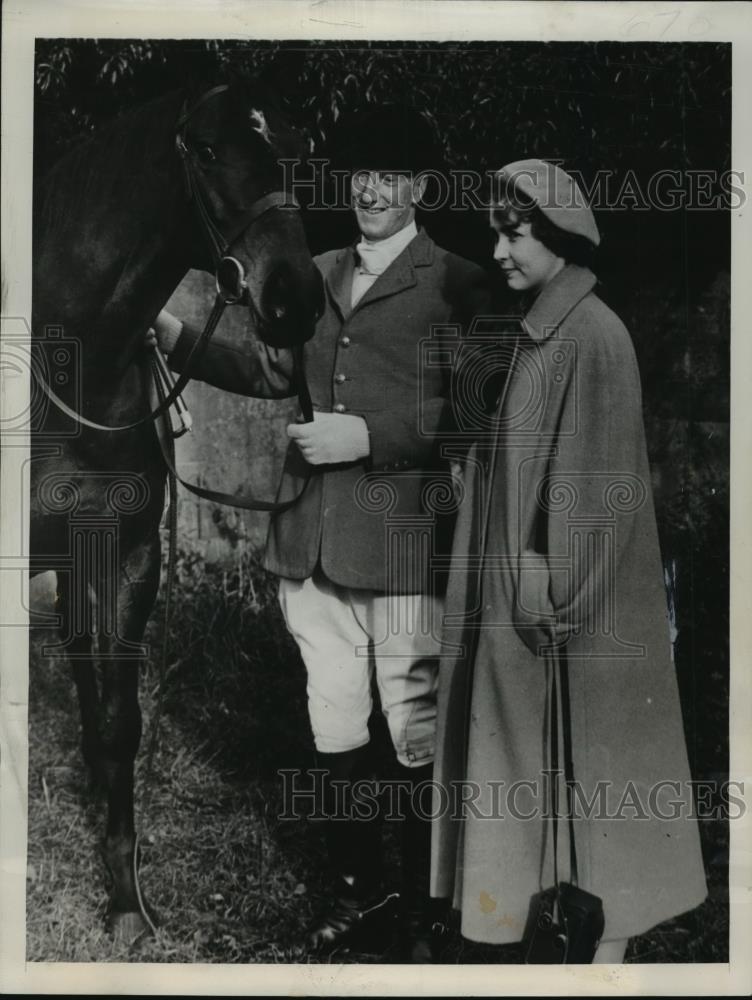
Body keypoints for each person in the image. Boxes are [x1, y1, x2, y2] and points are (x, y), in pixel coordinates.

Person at [150, 105, 489, 961]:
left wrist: (370, 435)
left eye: (390, 176)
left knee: (412, 721)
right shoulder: (318, 269)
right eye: (361, 175)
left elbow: (473, 413)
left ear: (417, 188)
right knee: (333, 715)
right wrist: (172, 332)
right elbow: (270, 368)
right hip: (309, 538)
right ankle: (357, 888)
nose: (370, 190)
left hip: (403, 541)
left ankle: (425, 901)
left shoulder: (457, 280)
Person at [430, 160, 707, 962]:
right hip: (532, 604)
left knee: (596, 803)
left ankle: (599, 963)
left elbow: (595, 496)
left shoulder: (591, 337)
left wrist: (543, 604)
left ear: (555, 236)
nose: (499, 249)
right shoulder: (540, 331)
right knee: (555, 799)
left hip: (560, 617)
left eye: (514, 233)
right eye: (496, 232)